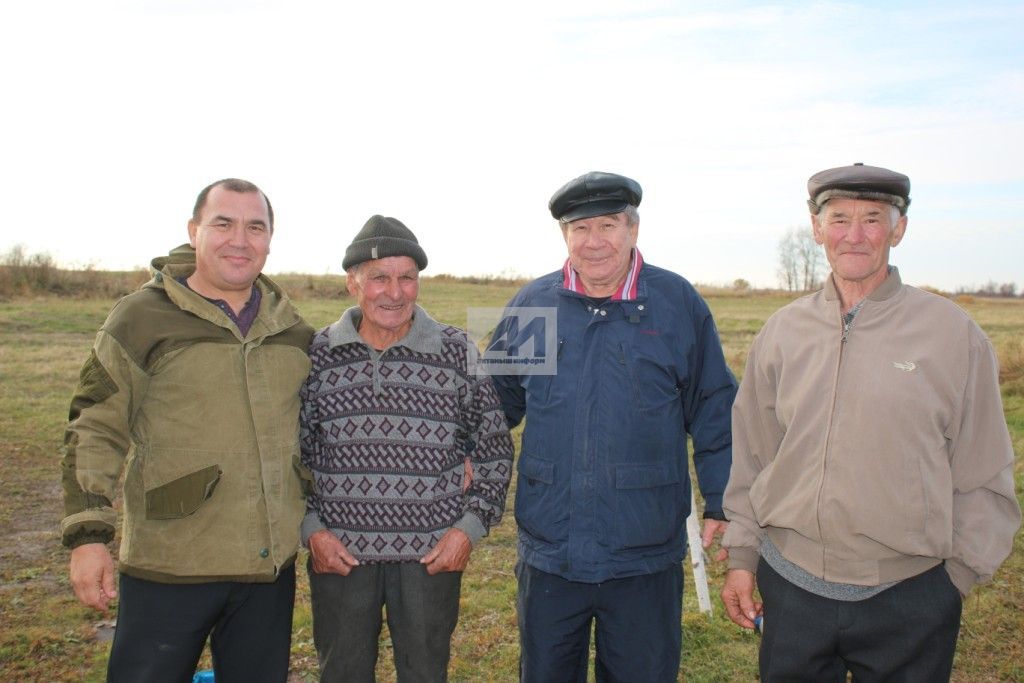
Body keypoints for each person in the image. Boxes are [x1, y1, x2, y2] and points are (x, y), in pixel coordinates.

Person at [720, 163, 1022, 681]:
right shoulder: (783, 332)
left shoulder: (951, 334)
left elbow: (984, 468)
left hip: (911, 597)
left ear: (898, 229)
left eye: (873, 219)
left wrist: (956, 578)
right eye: (839, 219)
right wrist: (744, 556)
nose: (854, 236)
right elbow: (752, 456)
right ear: (817, 229)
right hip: (792, 591)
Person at [60, 178, 315, 681]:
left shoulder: (293, 331)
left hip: (266, 572)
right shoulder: (140, 318)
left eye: (255, 227)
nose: (239, 239)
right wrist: (89, 537)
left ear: (269, 240)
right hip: (170, 566)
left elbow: (319, 429)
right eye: (223, 223)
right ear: (194, 230)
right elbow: (94, 427)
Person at [490, 171, 738, 682]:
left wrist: (724, 501)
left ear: (634, 230)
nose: (595, 241)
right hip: (550, 549)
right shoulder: (534, 305)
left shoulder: (676, 303)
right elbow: (493, 404)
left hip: (643, 550)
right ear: (565, 237)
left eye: (609, 225)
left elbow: (715, 406)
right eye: (580, 228)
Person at [300, 215, 514, 682]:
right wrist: (312, 529)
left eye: (406, 278)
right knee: (342, 673)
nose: (393, 293)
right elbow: (292, 455)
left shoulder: (457, 351)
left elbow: (495, 449)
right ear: (352, 284)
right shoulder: (318, 354)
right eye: (378, 278)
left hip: (431, 556)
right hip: (340, 554)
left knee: (424, 673)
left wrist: (468, 530)